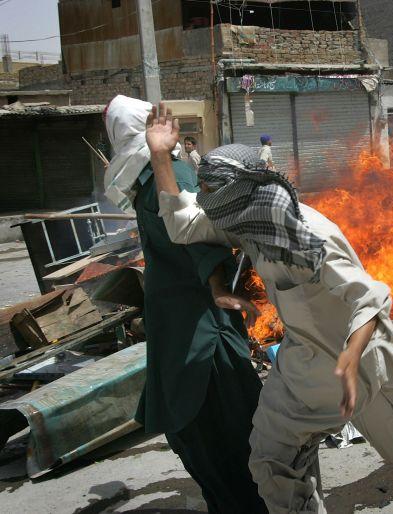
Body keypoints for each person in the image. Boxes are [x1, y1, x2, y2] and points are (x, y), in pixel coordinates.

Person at [145, 103, 393, 513]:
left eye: (210, 190)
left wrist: (352, 359)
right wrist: (160, 155)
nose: (205, 199)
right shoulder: (243, 218)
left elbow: (370, 297)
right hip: (301, 364)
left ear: (234, 191)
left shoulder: (309, 235)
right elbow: (181, 224)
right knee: (270, 459)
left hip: (352, 361)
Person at [104, 96, 267, 514]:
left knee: (216, 439)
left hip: (189, 328)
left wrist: (216, 282)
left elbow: (191, 229)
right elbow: (192, 230)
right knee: (232, 437)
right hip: (198, 331)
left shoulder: (160, 175)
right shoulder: (166, 173)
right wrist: (216, 283)